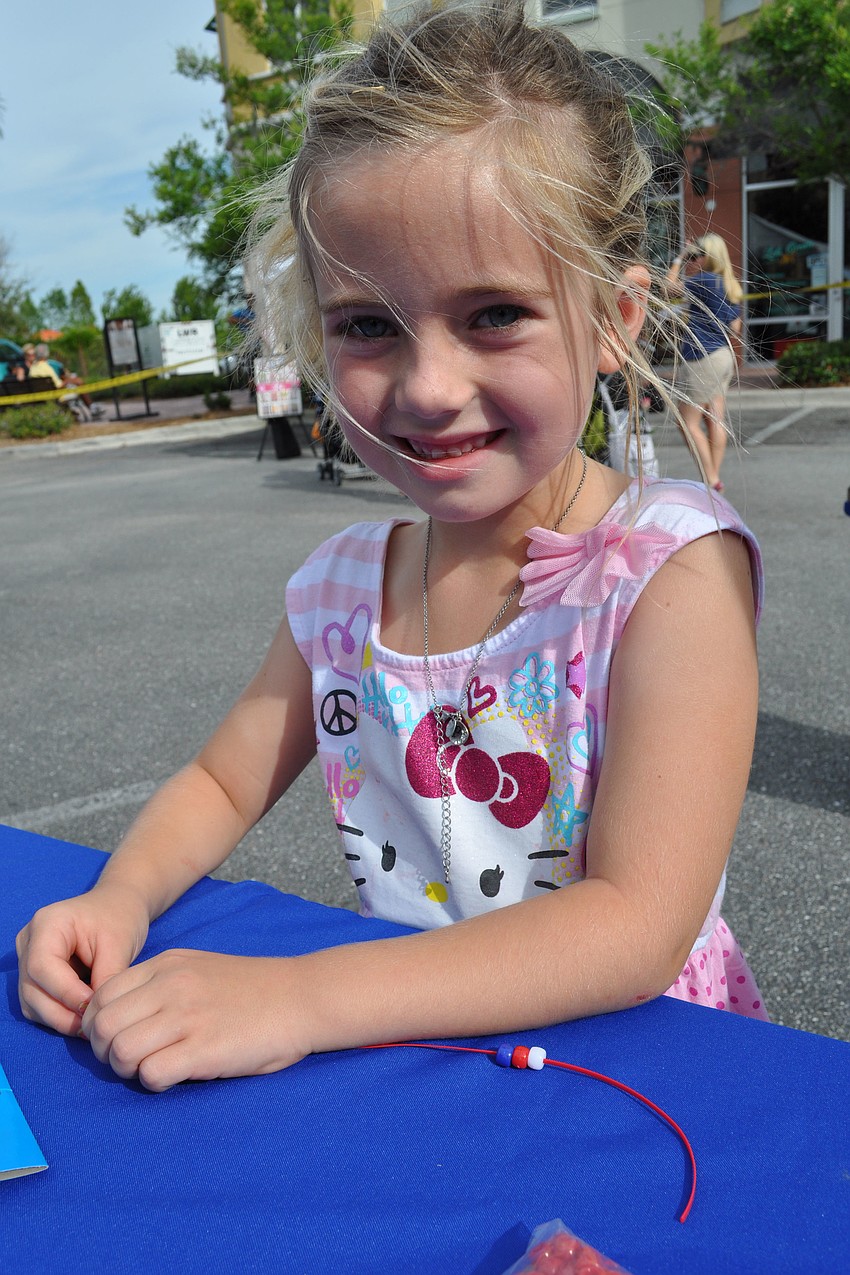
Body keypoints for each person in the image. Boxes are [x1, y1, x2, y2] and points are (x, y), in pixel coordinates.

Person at [17, 1, 766, 1094]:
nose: (425, 386)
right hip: (433, 1058)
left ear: (613, 319)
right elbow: (224, 783)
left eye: (495, 313)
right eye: (368, 324)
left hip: (644, 1081)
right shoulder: (340, 588)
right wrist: (115, 897)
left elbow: (633, 928)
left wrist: (301, 996)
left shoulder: (662, 571)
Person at [666, 234, 743, 492]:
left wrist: (679, 258)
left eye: (699, 253)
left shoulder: (704, 280)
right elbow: (735, 327)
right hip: (723, 355)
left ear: (707, 255)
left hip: (702, 358)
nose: (695, 257)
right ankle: (714, 478)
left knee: (687, 422)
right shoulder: (730, 285)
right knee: (715, 420)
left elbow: (668, 289)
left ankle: (710, 480)